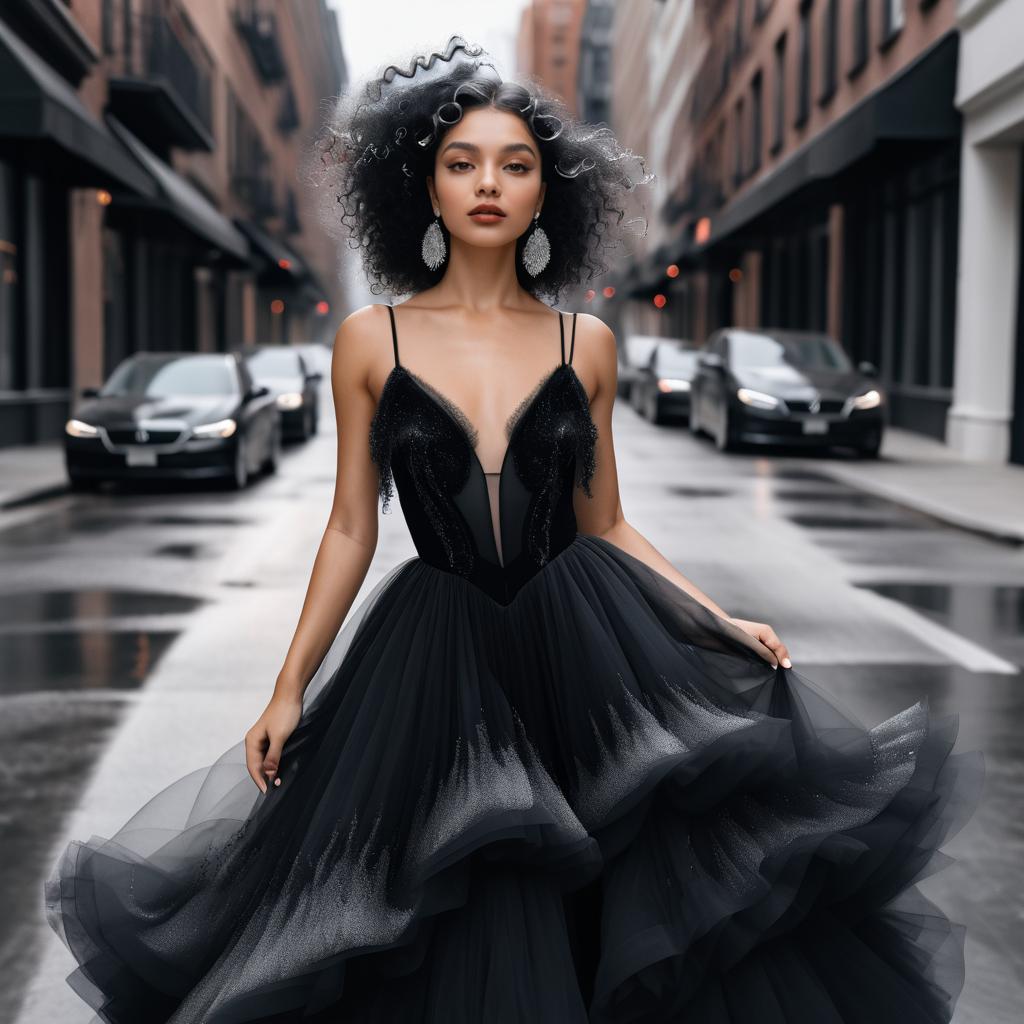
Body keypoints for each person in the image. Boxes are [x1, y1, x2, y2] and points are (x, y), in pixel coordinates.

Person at [45, 36, 984, 1023]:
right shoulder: (373, 340)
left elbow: (608, 520)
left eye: (515, 164)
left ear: (548, 194)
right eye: (461, 163)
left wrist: (718, 619)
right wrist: (287, 686)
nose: (487, 182)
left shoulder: (590, 344)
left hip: (585, 649)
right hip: (430, 655)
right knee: (447, 895)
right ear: (426, 188)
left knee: (599, 894)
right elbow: (350, 530)